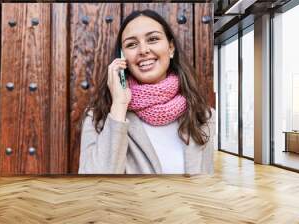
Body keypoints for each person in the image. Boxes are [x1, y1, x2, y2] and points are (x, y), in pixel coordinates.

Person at [78, 9, 215, 175]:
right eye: (131, 44)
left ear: (171, 48)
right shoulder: (98, 118)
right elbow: (94, 186)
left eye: (153, 39)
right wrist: (119, 106)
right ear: (122, 58)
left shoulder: (203, 116)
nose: (143, 50)